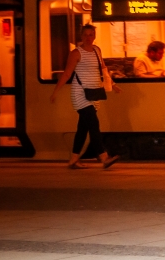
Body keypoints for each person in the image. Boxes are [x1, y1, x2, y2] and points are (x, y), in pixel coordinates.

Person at [50, 23, 120, 169]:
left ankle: (73, 159)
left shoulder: (97, 50)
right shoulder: (76, 53)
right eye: (86, 35)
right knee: (94, 123)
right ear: (81, 36)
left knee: (83, 128)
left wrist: (112, 84)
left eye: (91, 34)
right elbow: (67, 73)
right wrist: (56, 91)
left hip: (93, 93)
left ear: (94, 36)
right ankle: (103, 157)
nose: (88, 37)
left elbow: (103, 69)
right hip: (80, 93)